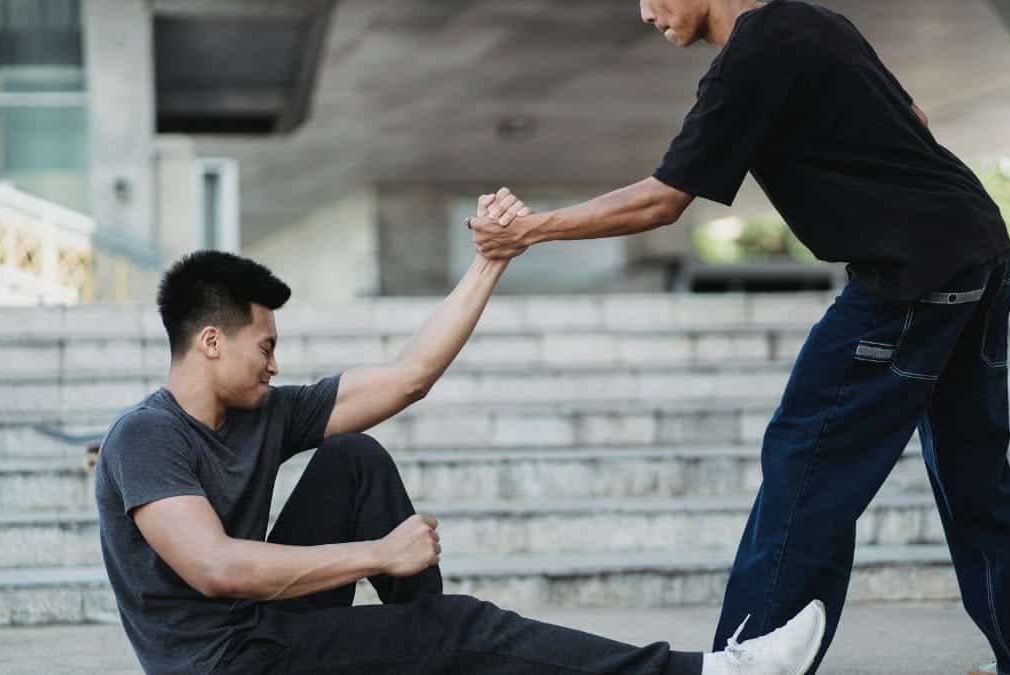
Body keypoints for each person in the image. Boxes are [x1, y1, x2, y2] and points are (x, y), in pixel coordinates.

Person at [469, 1, 1010, 674]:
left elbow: (663, 199)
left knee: (806, 458)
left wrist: (530, 230)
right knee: (979, 485)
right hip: (977, 249)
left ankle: (748, 661)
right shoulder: (812, 21)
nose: (644, 12)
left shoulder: (752, 53)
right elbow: (916, 122)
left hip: (911, 275)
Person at [94, 191, 827, 675]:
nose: (275, 362)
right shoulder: (146, 437)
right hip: (222, 663)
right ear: (212, 342)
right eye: (266, 346)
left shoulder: (263, 412)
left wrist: (490, 262)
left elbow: (410, 374)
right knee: (462, 627)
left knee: (354, 458)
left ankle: (434, 642)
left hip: (262, 630)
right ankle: (712, 672)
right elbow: (215, 567)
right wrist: (378, 553)